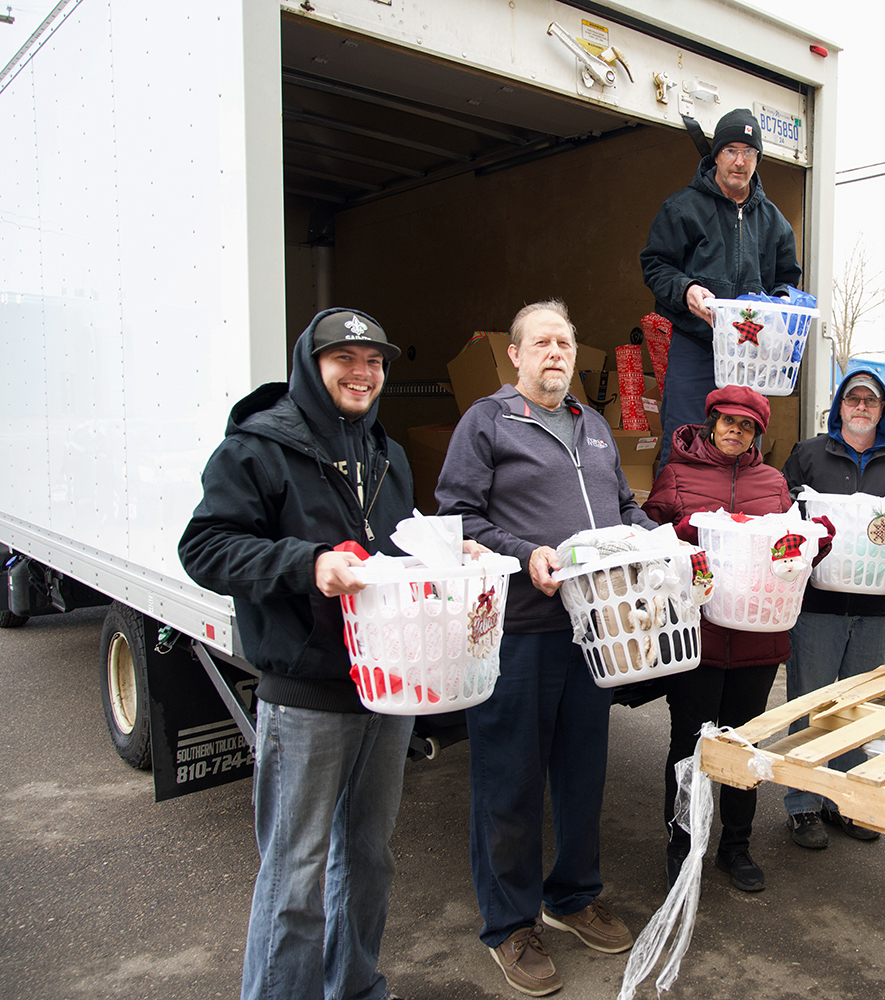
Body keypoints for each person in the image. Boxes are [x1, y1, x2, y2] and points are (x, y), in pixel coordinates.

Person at [179, 308, 418, 1000]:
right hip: (308, 691)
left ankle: (355, 985)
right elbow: (204, 547)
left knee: (369, 860)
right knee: (295, 873)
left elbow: (393, 547)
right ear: (309, 367)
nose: (361, 372)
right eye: (344, 358)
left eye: (374, 361)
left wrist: (440, 552)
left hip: (387, 687)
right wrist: (308, 564)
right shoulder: (258, 447)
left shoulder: (387, 454)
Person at [436, 301, 651, 997]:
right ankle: (509, 925)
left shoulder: (592, 427)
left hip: (595, 631)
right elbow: (458, 518)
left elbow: (622, 508)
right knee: (511, 782)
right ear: (518, 356)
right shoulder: (488, 421)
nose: (555, 352)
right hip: (518, 632)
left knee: (583, 773)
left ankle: (572, 896)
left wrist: (658, 537)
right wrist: (522, 552)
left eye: (564, 342)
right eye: (542, 343)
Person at [642, 385, 825, 893]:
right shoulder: (676, 475)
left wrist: (814, 546)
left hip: (756, 640)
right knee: (690, 745)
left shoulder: (773, 482)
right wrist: (681, 537)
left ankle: (735, 847)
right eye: (728, 421)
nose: (735, 431)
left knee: (743, 745)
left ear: (756, 435)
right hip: (694, 636)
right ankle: (682, 844)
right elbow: (645, 541)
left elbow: (790, 554)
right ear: (711, 422)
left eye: (746, 426)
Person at [779, 370, 885, 850]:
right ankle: (802, 804)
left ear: (883, 409)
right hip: (818, 600)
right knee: (810, 700)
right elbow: (784, 511)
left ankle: (843, 800)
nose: (862, 406)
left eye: (871, 399)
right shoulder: (809, 455)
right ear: (839, 407)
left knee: (857, 707)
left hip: (876, 603)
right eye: (853, 398)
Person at [640, 108, 802, 472]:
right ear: (716, 155)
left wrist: (779, 303)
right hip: (694, 345)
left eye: (749, 152)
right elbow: (655, 265)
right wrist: (687, 289)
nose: (740, 161)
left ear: (758, 159)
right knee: (685, 441)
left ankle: (734, 524)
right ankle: (675, 525)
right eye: (731, 150)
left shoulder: (775, 222)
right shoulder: (682, 208)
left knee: (741, 448)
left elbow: (788, 281)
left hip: (750, 354)